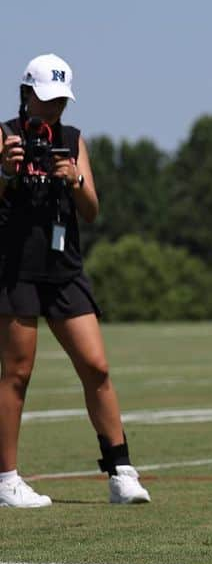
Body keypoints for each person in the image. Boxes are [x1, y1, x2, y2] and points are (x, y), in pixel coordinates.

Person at [0, 54, 150, 509]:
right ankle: (6, 480)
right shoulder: (5, 136)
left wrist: (77, 178)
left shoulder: (72, 139)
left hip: (64, 268)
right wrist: (6, 170)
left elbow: (92, 209)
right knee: (16, 374)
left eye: (61, 101)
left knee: (96, 367)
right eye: (47, 100)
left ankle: (120, 470)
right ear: (27, 95)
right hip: (15, 267)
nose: (54, 110)